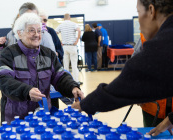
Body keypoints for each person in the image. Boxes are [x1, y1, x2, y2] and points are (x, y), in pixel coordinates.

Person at [72, 0, 173, 136]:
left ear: (151, 10)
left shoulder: (164, 45)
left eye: (138, 13)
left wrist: (85, 105)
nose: (138, 21)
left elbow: (126, 84)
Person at [0, 13, 84, 123]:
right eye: (31, 30)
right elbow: (3, 80)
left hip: (43, 117)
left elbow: (60, 77)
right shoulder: (9, 54)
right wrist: (26, 91)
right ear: (20, 33)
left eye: (39, 31)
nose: (37, 34)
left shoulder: (48, 54)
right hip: (16, 118)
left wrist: (72, 87)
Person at [55, 13, 83, 85]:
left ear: (64, 18)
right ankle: (76, 81)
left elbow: (55, 33)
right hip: (72, 46)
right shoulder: (73, 24)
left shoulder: (61, 25)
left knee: (66, 65)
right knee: (74, 64)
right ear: (69, 18)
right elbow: (79, 30)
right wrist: (76, 41)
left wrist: (60, 41)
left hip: (64, 47)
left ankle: (67, 81)